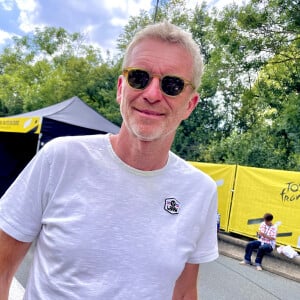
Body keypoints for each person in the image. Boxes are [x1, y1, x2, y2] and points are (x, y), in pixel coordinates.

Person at [0, 21, 218, 299]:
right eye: (139, 77)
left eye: (172, 85)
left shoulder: (200, 191)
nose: (152, 94)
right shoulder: (61, 158)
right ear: (120, 88)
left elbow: (185, 292)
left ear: (190, 104)